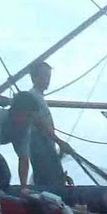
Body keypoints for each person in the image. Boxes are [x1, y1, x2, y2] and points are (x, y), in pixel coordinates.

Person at [24, 61, 70, 191]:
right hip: (40, 146)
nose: (47, 80)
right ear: (34, 77)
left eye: (48, 76)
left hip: (46, 145)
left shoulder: (38, 97)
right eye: (44, 76)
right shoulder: (33, 97)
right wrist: (60, 142)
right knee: (49, 181)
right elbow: (42, 124)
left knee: (53, 177)